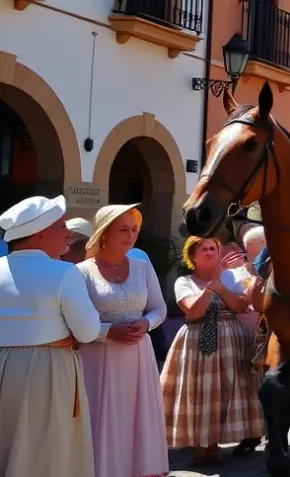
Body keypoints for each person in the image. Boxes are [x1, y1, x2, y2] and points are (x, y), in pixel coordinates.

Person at [0, 195, 102, 477]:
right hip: (47, 371)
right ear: (40, 233)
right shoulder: (64, 273)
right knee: (47, 452)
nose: (68, 232)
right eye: (61, 225)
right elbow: (89, 331)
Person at [76, 204, 170, 477]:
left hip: (138, 356)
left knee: (135, 419)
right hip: (97, 358)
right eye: (123, 230)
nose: (130, 236)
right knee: (100, 418)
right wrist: (108, 332)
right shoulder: (81, 272)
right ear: (104, 234)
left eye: (134, 230)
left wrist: (146, 323)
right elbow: (75, 321)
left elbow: (159, 309)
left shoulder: (142, 267)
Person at [160, 236, 263, 464]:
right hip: (196, 341)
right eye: (204, 249)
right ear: (193, 256)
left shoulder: (229, 278)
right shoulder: (183, 281)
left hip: (230, 341)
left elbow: (241, 306)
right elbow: (193, 310)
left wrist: (221, 287)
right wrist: (210, 289)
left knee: (224, 390)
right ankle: (201, 444)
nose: (210, 253)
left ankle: (215, 442)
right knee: (200, 391)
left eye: (213, 249)